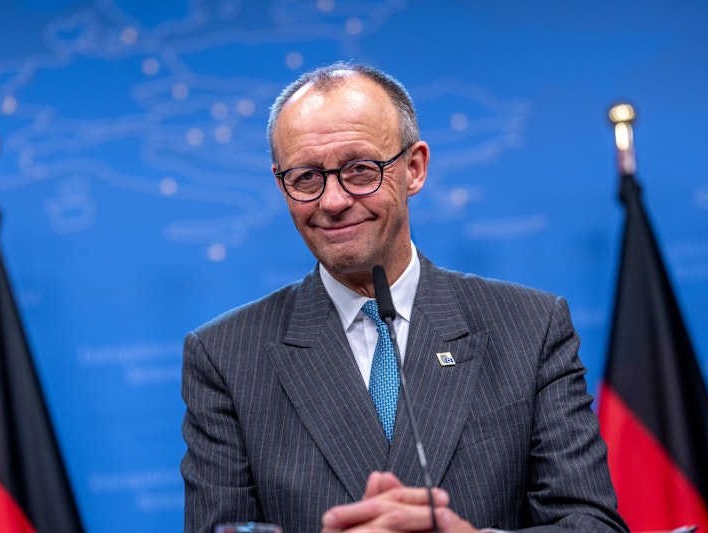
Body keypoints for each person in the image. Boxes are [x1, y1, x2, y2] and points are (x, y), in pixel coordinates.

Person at [180, 62, 627, 533]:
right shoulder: (226, 356)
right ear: (281, 184)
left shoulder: (529, 327)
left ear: (414, 169)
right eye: (306, 177)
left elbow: (592, 524)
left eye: (360, 170)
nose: (333, 201)